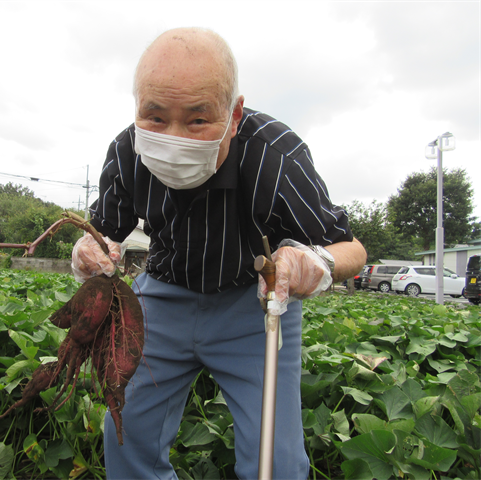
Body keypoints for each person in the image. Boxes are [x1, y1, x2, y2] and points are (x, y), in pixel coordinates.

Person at [73, 28, 367, 480]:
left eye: (197, 120)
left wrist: (320, 262)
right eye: (154, 116)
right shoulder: (127, 151)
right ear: (137, 108)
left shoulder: (275, 156)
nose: (174, 138)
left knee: (278, 464)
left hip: (253, 308)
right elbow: (104, 232)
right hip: (160, 301)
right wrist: (91, 249)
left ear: (234, 114)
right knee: (126, 434)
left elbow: (351, 246)